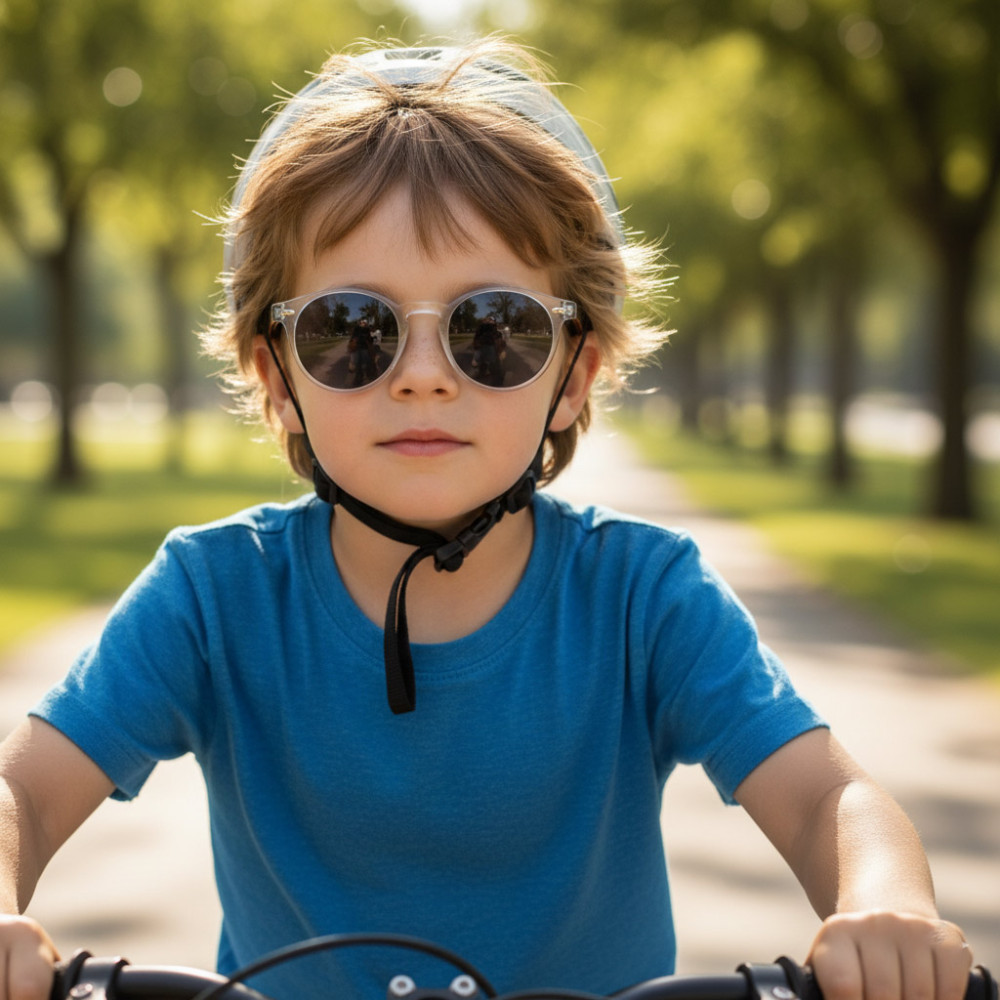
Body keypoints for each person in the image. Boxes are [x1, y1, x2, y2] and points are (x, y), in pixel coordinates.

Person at [0, 38, 973, 1000]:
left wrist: (884, 902)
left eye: (492, 328)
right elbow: (25, 794)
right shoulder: (212, 599)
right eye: (352, 330)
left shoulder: (643, 597)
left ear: (572, 373)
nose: (423, 374)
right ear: (277, 374)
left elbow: (823, 799)